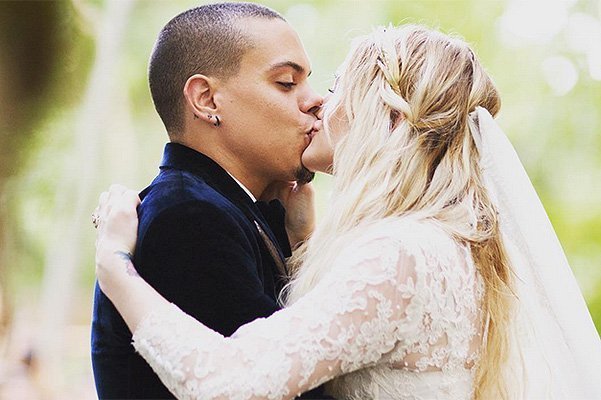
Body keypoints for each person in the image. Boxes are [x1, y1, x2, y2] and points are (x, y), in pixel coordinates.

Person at [93, 24, 601, 399]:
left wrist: (115, 266)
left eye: (335, 86)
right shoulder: (446, 242)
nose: (319, 102)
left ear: (388, 116)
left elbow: (232, 380)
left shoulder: (402, 253)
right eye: (288, 83)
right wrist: (304, 241)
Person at [90, 3, 328, 399]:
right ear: (206, 100)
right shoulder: (188, 217)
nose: (315, 101)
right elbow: (283, 386)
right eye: (287, 83)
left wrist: (299, 241)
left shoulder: (233, 207)